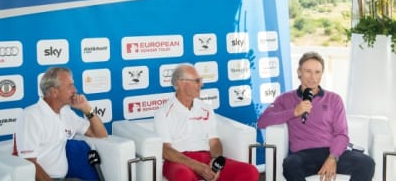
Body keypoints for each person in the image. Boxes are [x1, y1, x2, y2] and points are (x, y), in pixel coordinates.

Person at [257, 52, 375, 181]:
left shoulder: (334, 99)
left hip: (330, 151)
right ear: (299, 72)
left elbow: (341, 134)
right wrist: (293, 112)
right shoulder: (286, 98)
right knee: (290, 164)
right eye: (308, 71)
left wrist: (332, 158)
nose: (313, 77)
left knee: (367, 163)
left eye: (317, 72)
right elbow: (262, 122)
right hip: (303, 155)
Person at [154, 64, 260, 181]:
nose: (201, 85)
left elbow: (214, 142)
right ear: (180, 83)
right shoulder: (163, 112)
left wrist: (216, 163)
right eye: (197, 81)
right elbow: (166, 150)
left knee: (250, 171)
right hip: (179, 161)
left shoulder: (206, 108)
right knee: (183, 177)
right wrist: (197, 166)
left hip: (207, 159)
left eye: (201, 80)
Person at [15, 67, 108, 181]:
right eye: (70, 86)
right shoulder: (30, 116)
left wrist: (86, 108)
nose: (75, 90)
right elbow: (28, 162)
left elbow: (100, 134)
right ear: (54, 92)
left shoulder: (66, 113)